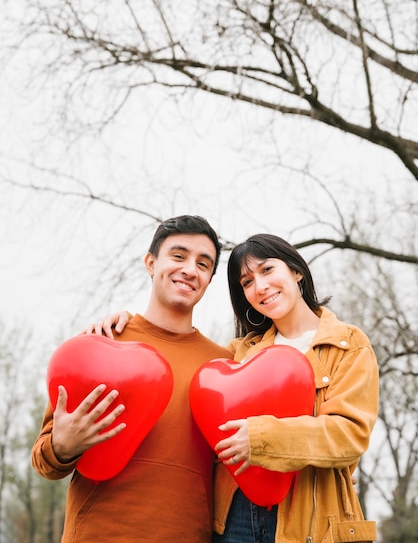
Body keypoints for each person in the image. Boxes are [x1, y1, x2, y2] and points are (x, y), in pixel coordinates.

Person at [103, 233, 379, 543]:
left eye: (267, 270)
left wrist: (263, 439)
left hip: (312, 521)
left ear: (296, 271)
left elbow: (350, 434)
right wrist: (129, 324)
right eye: (246, 282)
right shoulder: (238, 353)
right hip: (236, 521)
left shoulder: (348, 345)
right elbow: (180, 355)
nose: (260, 287)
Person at [32, 215, 233, 543]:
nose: (189, 269)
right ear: (151, 263)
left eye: (203, 263)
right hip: (97, 534)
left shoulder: (224, 366)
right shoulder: (103, 342)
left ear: (209, 279)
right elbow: (44, 460)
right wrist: (63, 446)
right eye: (178, 256)